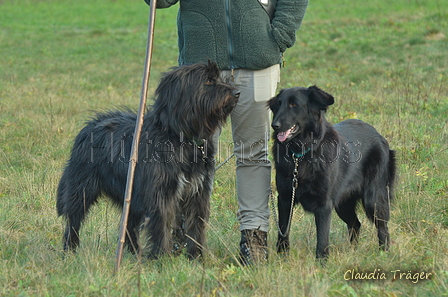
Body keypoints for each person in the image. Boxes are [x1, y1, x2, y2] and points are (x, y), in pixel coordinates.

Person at [145, 0, 308, 265]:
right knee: (188, 153)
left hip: (258, 60)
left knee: (253, 153)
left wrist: (279, 36)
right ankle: (182, 232)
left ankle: (253, 237)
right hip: (200, 71)